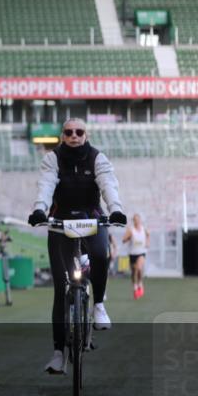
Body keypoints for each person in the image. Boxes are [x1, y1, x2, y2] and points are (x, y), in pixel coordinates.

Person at [28, 118, 126, 375]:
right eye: (69, 132)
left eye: (79, 132)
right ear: (62, 135)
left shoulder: (98, 158)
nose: (74, 136)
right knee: (61, 289)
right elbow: (46, 184)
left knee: (100, 256)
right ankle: (59, 353)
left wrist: (115, 209)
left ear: (86, 134)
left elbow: (108, 184)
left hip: (92, 217)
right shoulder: (53, 158)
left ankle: (99, 306)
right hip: (59, 223)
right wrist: (39, 208)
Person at [122, 213, 149, 299]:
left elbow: (148, 236)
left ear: (140, 220)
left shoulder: (144, 229)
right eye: (135, 220)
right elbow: (123, 240)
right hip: (132, 253)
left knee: (139, 268)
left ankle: (140, 284)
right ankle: (135, 287)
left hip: (141, 252)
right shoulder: (130, 230)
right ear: (133, 221)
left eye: (138, 219)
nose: (136, 221)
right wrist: (128, 238)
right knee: (134, 272)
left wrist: (148, 242)